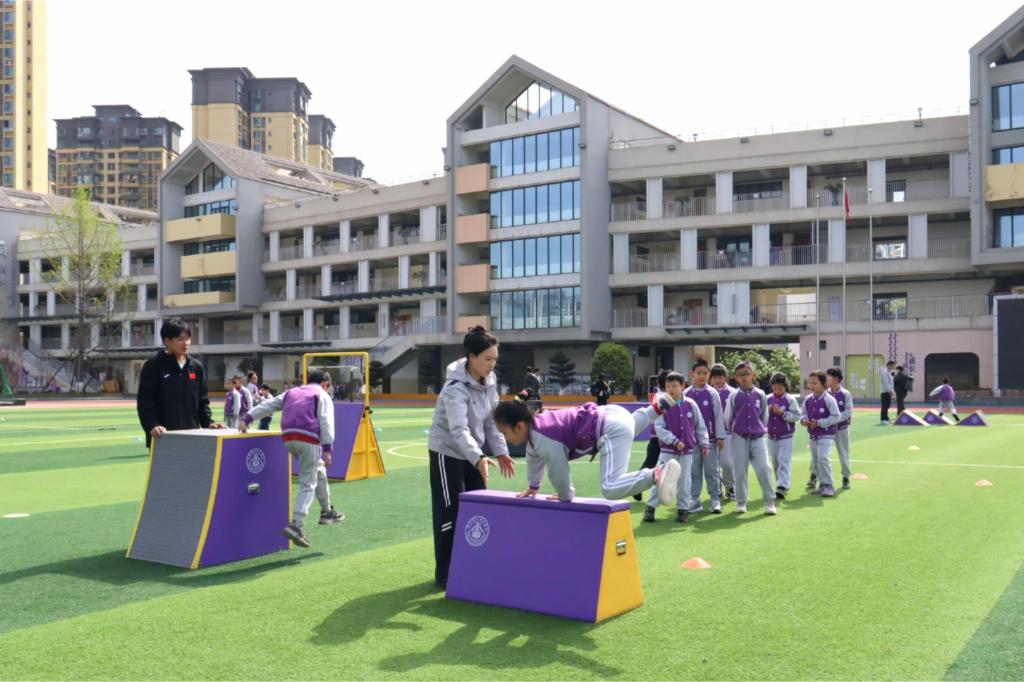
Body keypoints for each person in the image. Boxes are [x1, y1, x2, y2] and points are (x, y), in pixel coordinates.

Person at [427, 326, 517, 590]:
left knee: (479, 507)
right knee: (450, 510)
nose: (492, 364)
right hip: (447, 452)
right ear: (472, 357)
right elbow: (458, 430)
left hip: (473, 453)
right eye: (487, 359)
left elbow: (491, 422)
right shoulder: (454, 388)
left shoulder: (490, 381)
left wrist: (501, 452)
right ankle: (445, 573)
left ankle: (473, 564)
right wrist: (478, 457)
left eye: (495, 359)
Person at [494, 390, 679, 505]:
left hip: (608, 428)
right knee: (629, 425)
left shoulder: (543, 438)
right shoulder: (537, 428)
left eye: (504, 432)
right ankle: (657, 408)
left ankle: (656, 474)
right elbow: (533, 458)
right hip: (613, 412)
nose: (505, 438)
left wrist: (565, 495)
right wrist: (533, 486)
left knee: (610, 487)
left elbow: (558, 469)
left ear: (519, 426)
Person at [241, 369, 345, 548]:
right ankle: (296, 524)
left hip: (289, 438)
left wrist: (248, 418)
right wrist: (327, 449)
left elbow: (269, 404)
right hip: (309, 439)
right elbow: (326, 422)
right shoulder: (322, 395)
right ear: (326, 384)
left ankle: (326, 510)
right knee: (308, 483)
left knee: (318, 469)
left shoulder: (292, 392)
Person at [136, 318, 223, 448]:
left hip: (193, 437)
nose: (185, 343)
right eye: (180, 339)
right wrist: (152, 425)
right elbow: (145, 402)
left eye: (188, 339)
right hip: (163, 437)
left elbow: (202, 401)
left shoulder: (196, 367)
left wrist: (209, 423)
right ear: (167, 341)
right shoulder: (153, 366)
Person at [643, 371, 708, 523]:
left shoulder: (691, 404)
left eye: (674, 386)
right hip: (667, 450)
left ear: (683, 386)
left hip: (687, 451)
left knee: (684, 481)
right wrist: (673, 441)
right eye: (668, 386)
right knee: (660, 478)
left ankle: (682, 510)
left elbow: (700, 426)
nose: (670, 389)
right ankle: (650, 508)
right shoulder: (662, 405)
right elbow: (659, 428)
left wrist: (704, 443)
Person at [723, 362, 776, 515]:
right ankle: (741, 501)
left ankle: (769, 500)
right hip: (739, 437)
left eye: (747, 374)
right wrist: (733, 431)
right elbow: (728, 417)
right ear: (736, 378)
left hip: (758, 437)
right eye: (740, 375)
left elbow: (764, 415)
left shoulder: (760, 394)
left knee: (764, 468)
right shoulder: (734, 395)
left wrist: (759, 428)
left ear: (753, 375)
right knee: (740, 471)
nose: (744, 377)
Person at [684, 359, 726, 514]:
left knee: (712, 471)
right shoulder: (686, 394)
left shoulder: (712, 393)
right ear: (692, 374)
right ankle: (694, 500)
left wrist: (720, 436)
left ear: (708, 375)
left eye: (705, 373)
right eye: (699, 373)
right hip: (692, 441)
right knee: (693, 472)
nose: (702, 376)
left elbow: (718, 416)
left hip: (711, 440)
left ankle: (715, 499)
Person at [802, 370, 843, 498]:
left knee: (823, 458)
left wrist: (820, 423)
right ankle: (822, 485)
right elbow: (803, 414)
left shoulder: (829, 399)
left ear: (823, 384)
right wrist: (804, 420)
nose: (811, 385)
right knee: (816, 460)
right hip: (813, 434)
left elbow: (836, 416)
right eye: (810, 383)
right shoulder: (808, 399)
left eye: (815, 383)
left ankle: (829, 485)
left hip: (826, 434)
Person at [634, 369, 670, 502]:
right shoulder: (661, 397)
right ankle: (637, 486)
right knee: (651, 463)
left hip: (665, 436)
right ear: (666, 383)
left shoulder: (664, 395)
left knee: (656, 463)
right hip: (658, 437)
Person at [766, 372, 801, 500]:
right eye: (774, 388)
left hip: (786, 436)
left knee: (783, 461)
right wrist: (767, 411)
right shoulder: (767, 398)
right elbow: (760, 416)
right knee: (775, 462)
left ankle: (783, 486)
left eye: (780, 388)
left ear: (785, 387)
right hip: (771, 436)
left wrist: (783, 413)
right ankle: (780, 483)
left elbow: (796, 416)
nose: (777, 391)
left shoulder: (790, 400)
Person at [710, 363, 737, 501]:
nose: (717, 380)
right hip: (710, 434)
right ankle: (717, 489)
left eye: (720, 377)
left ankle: (730, 487)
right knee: (713, 465)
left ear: (725, 377)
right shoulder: (708, 392)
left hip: (727, 433)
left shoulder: (733, 392)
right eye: (714, 378)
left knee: (727, 463)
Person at [826, 367, 854, 490]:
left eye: (829, 378)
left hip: (841, 428)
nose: (827, 380)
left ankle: (846, 477)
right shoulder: (825, 393)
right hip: (826, 429)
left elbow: (848, 412)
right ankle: (815, 476)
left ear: (836, 379)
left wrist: (835, 419)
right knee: (821, 454)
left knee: (844, 453)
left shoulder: (845, 394)